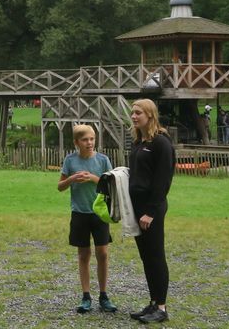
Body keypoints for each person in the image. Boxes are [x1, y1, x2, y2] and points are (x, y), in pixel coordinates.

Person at [58, 124, 117, 314]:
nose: (89, 142)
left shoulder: (103, 160)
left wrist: (92, 177)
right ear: (76, 142)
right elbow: (60, 186)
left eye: (92, 139)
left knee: (103, 253)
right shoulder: (70, 160)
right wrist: (72, 179)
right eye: (85, 140)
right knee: (84, 255)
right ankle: (86, 296)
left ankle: (104, 295)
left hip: (100, 213)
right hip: (79, 214)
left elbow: (111, 186)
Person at [128, 99, 175, 324]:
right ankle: (153, 302)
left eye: (138, 113)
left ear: (150, 114)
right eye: (132, 113)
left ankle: (162, 308)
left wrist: (151, 212)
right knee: (146, 257)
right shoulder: (138, 141)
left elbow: (162, 180)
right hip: (136, 208)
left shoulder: (161, 143)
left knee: (156, 256)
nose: (134, 116)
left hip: (151, 209)